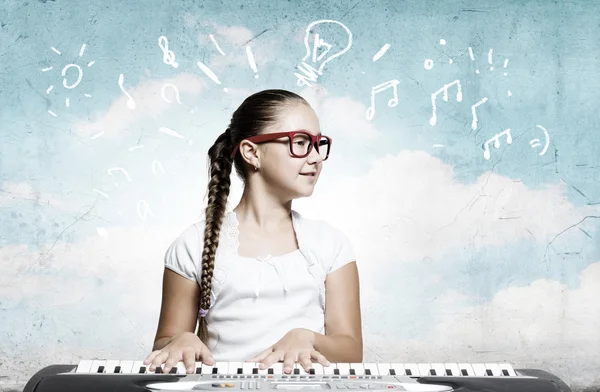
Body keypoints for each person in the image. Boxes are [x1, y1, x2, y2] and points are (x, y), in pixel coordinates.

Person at [143, 89, 362, 376]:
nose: (316, 157)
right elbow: (165, 342)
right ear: (251, 152)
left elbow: (352, 351)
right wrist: (182, 339)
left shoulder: (331, 245)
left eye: (318, 144)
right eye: (300, 142)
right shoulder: (193, 244)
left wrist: (308, 337)